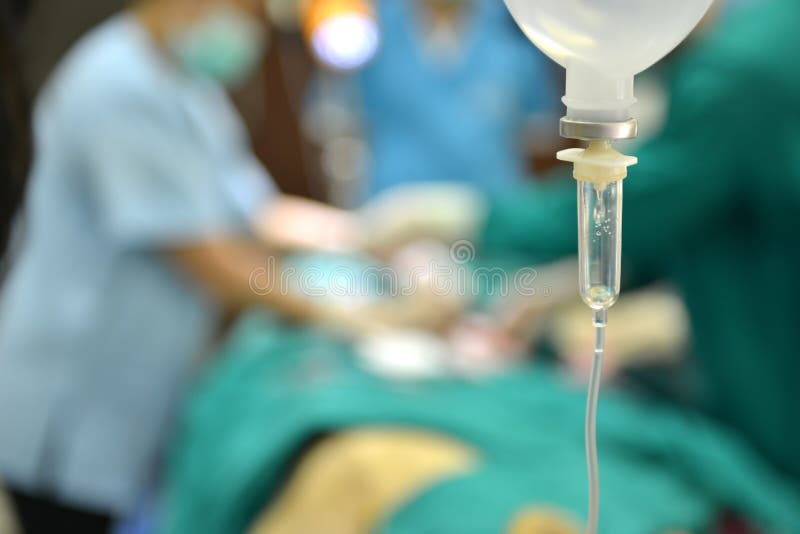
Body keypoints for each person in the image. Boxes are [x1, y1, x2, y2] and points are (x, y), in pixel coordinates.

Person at [0, 0, 395, 531]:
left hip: (130, 391)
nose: (248, 24)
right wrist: (341, 312)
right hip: (71, 399)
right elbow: (208, 258)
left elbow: (251, 211)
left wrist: (363, 237)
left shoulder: (184, 82)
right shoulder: (117, 87)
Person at [349, 0, 560, 199]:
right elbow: (339, 113)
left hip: (489, 211)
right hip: (392, 206)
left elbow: (542, 131)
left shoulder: (513, 25)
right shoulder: (367, 23)